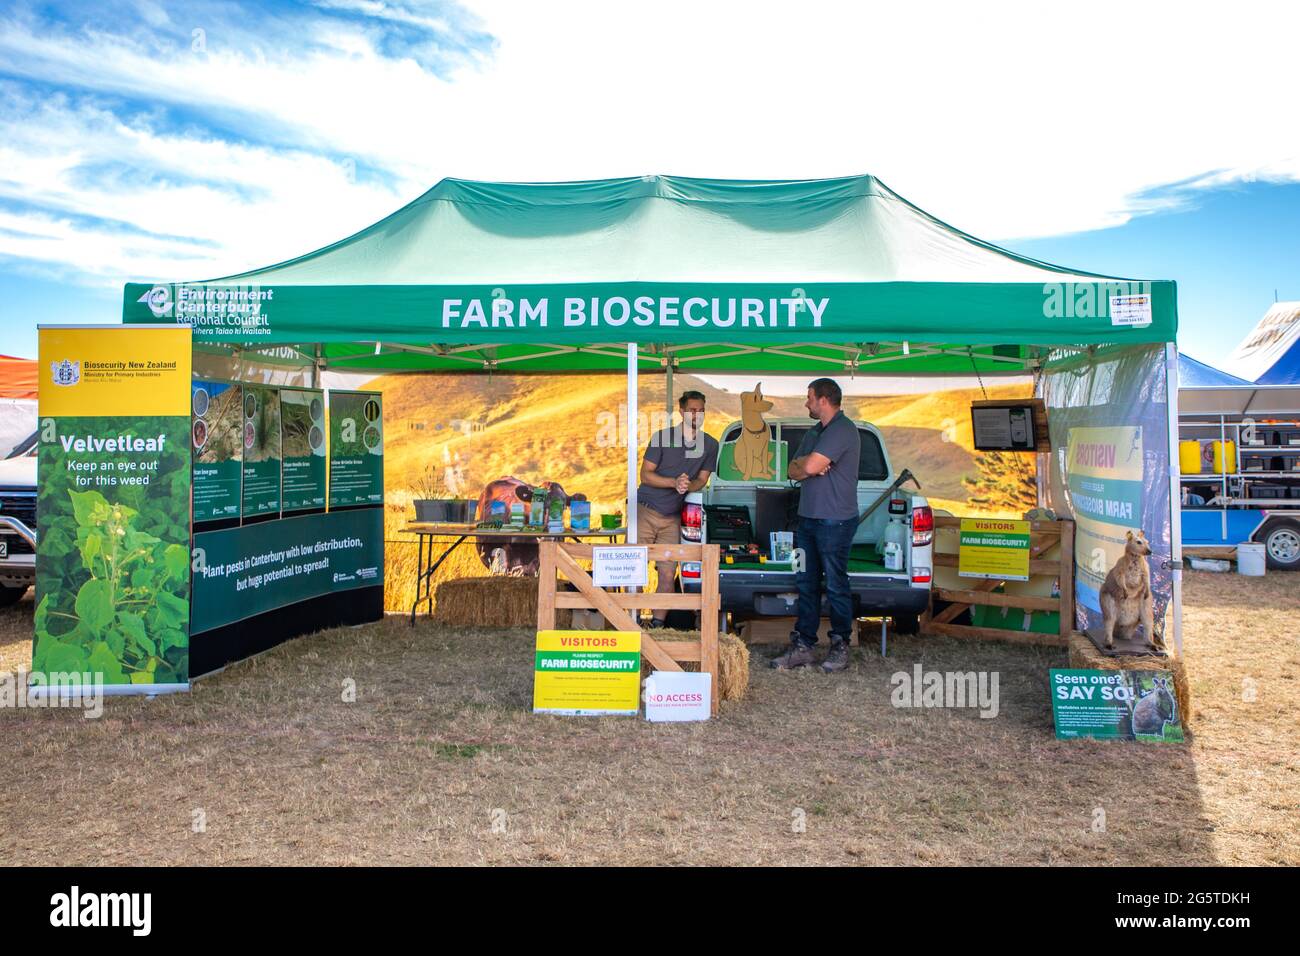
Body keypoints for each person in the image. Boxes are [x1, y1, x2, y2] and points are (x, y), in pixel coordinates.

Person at [772, 377, 861, 673]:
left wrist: (809, 466)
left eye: (809, 397)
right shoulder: (814, 432)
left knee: (836, 584)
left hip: (835, 520)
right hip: (807, 520)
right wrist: (811, 466)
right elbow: (794, 469)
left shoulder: (843, 430)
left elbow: (806, 467)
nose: (806, 402)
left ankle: (839, 646)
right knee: (805, 583)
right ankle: (804, 646)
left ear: (823, 399)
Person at [636, 390, 719, 628]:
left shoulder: (710, 445)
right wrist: (674, 482)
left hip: (673, 518)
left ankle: (658, 625)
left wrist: (686, 485)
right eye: (692, 409)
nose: (697, 414)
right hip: (645, 509)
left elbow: (702, 480)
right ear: (681, 412)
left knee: (667, 571)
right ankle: (631, 621)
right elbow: (645, 475)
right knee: (635, 568)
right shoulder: (662, 437)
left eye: (701, 409)